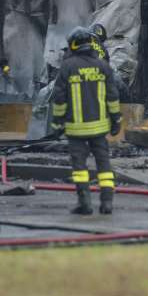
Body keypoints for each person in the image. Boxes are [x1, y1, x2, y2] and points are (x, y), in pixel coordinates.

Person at [51, 27, 122, 215]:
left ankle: (85, 204)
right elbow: (112, 97)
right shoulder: (103, 66)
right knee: (104, 165)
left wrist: (57, 123)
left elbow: (59, 98)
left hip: (76, 130)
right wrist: (116, 121)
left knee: (80, 168)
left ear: (73, 45)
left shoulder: (67, 67)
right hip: (100, 128)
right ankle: (107, 203)